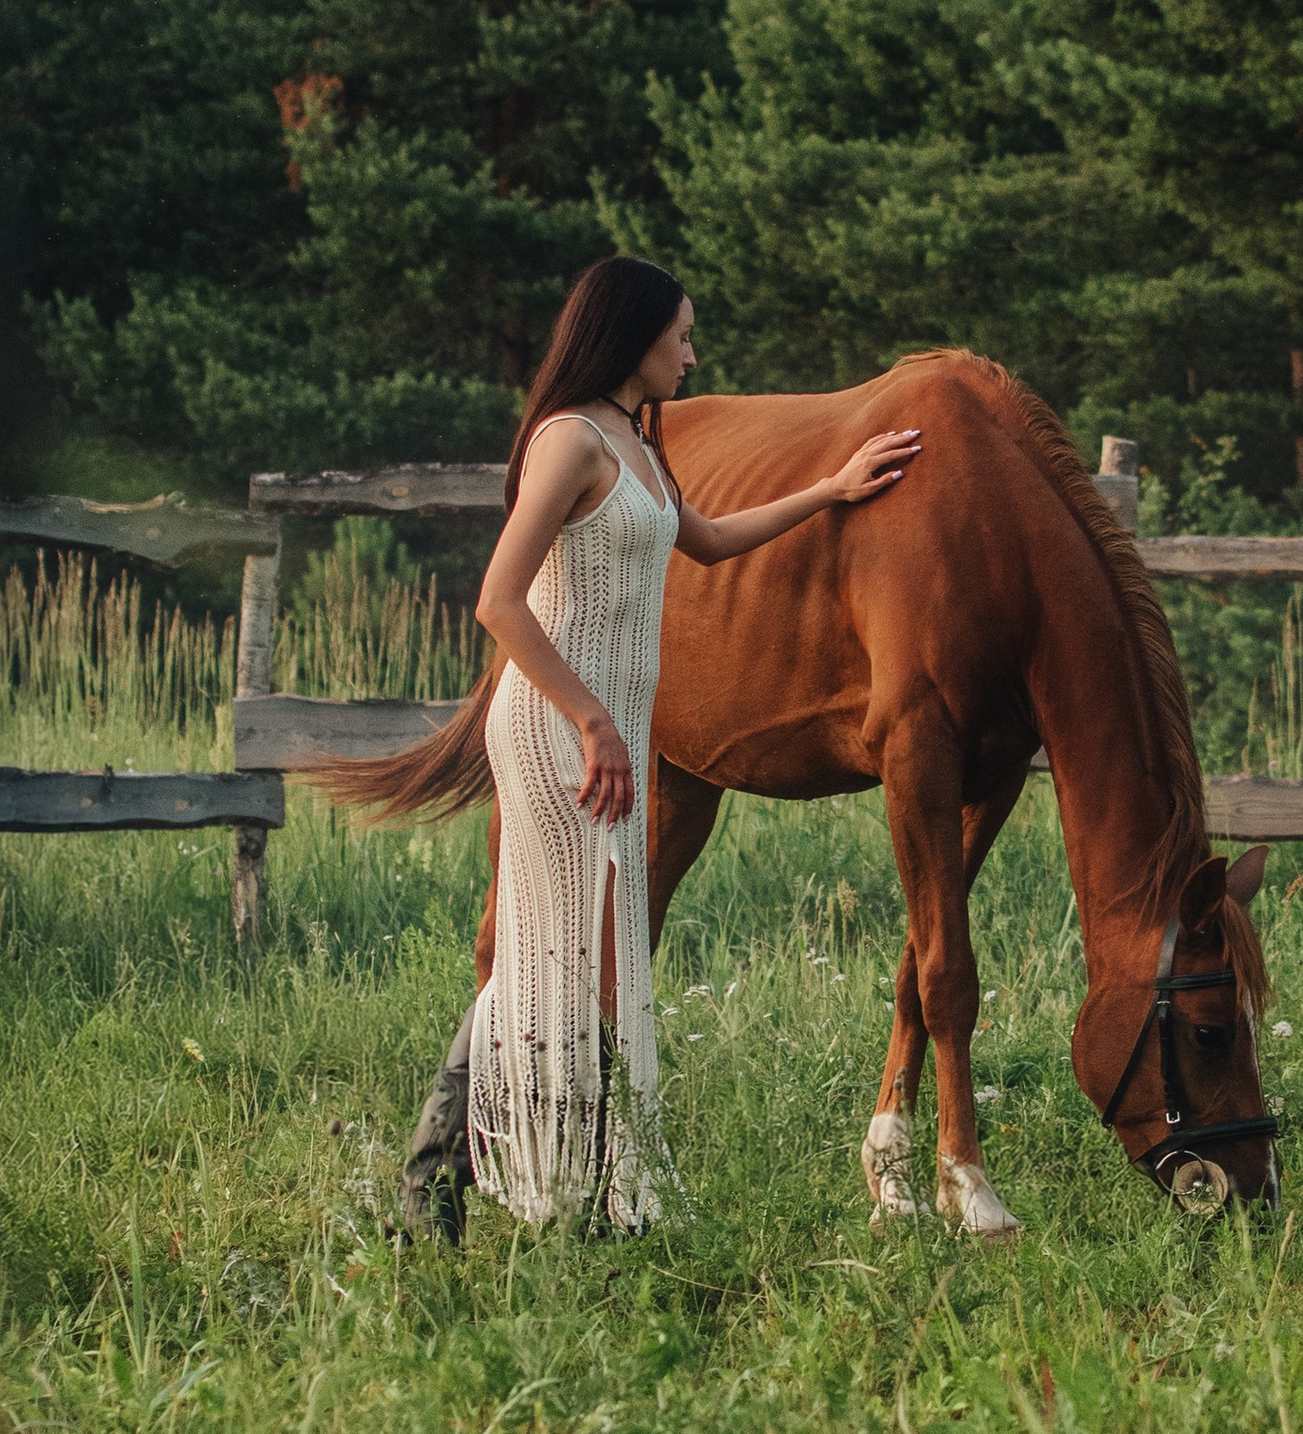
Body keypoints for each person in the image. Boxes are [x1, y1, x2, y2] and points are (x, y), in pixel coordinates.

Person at [315, 256, 916, 1233]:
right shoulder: (567, 442)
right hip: (559, 728)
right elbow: (498, 601)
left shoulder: (638, 441)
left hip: (609, 731)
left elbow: (710, 540)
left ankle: (544, 1175)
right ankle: (442, 1181)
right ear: (633, 337)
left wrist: (831, 490)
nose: (692, 352)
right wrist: (592, 719)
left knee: (581, 958)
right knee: (552, 953)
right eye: (680, 334)